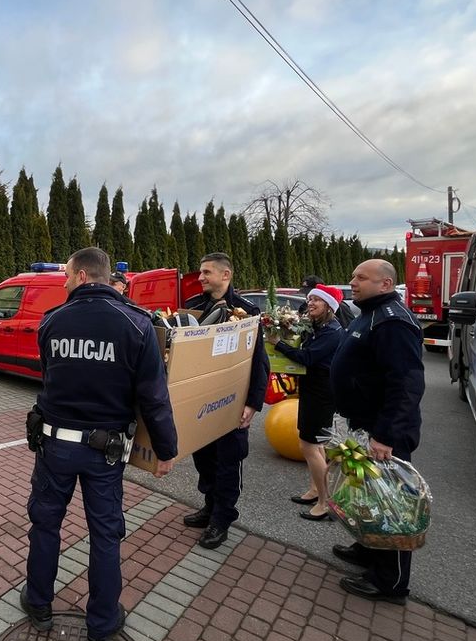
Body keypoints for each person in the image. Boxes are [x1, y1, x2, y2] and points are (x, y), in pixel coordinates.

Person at [22, 247, 177, 641]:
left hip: (54, 447)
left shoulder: (52, 321)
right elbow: (154, 397)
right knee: (105, 535)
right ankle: (101, 625)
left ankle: (38, 604)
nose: (65, 282)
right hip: (104, 453)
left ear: (83, 275)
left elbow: (51, 375)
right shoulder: (138, 325)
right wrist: (166, 449)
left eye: (68, 276)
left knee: (45, 524)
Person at [330, 259, 425, 603]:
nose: (352, 281)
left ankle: (391, 582)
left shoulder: (393, 322)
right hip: (363, 428)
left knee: (392, 505)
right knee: (368, 496)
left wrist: (386, 434)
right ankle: (369, 548)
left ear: (385, 284)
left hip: (383, 433)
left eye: (361, 277)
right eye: (353, 275)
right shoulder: (369, 314)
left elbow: (406, 384)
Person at [181, 252, 271, 549]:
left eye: (207, 272)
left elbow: (259, 362)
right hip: (201, 403)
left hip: (233, 403)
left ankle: (222, 519)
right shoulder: (193, 308)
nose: (202, 277)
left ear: (226, 275)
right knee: (204, 459)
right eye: (201, 272)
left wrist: (253, 403)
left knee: (228, 463)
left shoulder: (246, 312)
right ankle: (209, 506)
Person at [274, 284, 344, 520]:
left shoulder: (332, 332)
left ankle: (325, 503)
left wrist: (278, 344)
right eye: (310, 299)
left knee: (309, 446)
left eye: (317, 300)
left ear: (329, 307)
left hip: (322, 393)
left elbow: (308, 357)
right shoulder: (318, 327)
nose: (311, 303)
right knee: (316, 446)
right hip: (312, 390)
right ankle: (316, 490)